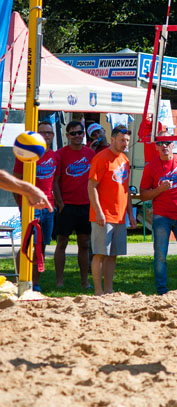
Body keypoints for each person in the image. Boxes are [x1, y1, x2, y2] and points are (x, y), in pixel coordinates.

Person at [139, 138, 177, 295]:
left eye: (167, 142)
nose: (164, 146)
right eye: (160, 143)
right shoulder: (151, 167)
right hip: (161, 217)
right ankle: (162, 291)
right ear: (156, 147)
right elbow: (143, 195)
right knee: (160, 255)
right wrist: (160, 189)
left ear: (174, 145)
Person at [87, 125, 136, 296]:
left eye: (127, 140)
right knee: (100, 253)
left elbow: (125, 189)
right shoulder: (101, 158)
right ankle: (98, 291)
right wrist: (98, 211)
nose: (125, 143)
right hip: (103, 215)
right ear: (112, 139)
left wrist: (130, 214)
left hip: (120, 216)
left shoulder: (125, 160)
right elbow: (91, 186)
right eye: (122, 140)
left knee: (113, 255)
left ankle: (108, 290)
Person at [13, 121, 58, 288]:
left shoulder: (55, 156)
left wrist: (57, 202)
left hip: (48, 206)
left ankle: (36, 283)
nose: (46, 136)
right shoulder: (26, 154)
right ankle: (21, 280)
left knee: (42, 245)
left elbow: (55, 181)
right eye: (43, 132)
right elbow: (16, 181)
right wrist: (22, 204)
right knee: (28, 244)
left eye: (49, 133)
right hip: (30, 206)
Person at [53, 120, 96, 290]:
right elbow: (55, 181)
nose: (77, 136)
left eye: (79, 132)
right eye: (73, 133)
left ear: (84, 134)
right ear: (67, 135)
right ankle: (59, 281)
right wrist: (60, 202)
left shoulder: (90, 154)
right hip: (67, 205)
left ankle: (85, 281)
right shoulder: (60, 154)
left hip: (85, 204)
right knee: (62, 242)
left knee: (84, 243)